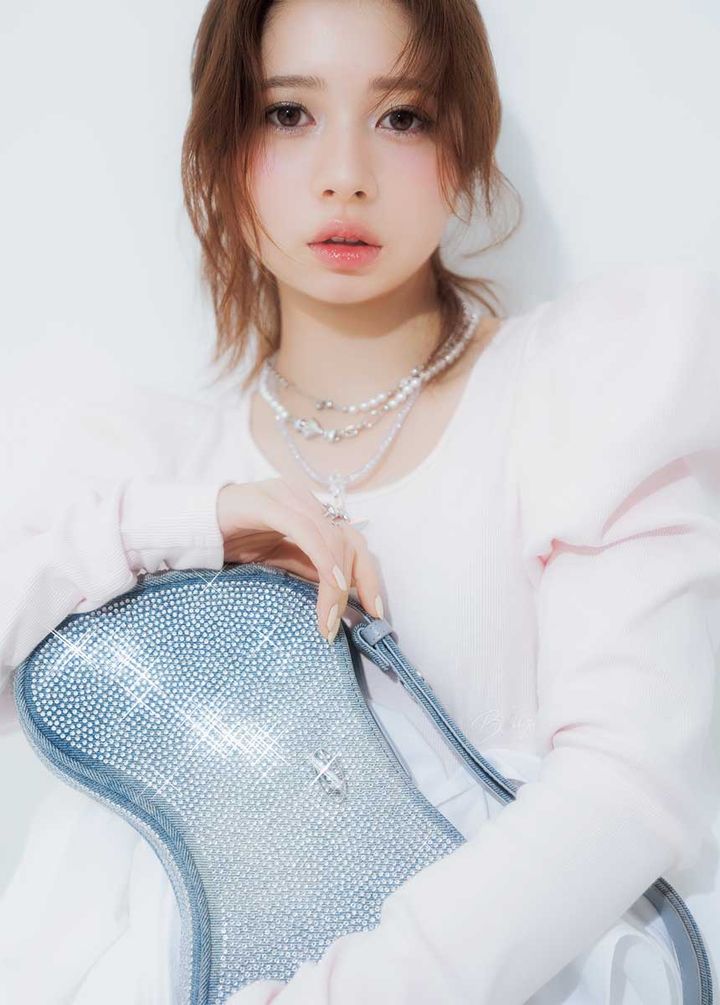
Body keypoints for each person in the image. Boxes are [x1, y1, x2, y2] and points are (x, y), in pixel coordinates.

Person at [1, 0, 720, 1002]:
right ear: (220, 147)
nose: (345, 173)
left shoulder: (581, 393)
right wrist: (187, 524)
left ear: (464, 146)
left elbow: (635, 786)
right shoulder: (156, 464)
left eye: (402, 116)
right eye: (288, 114)